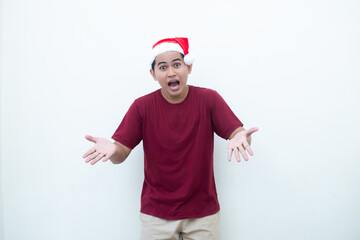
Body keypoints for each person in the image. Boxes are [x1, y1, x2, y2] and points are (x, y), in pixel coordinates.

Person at [83, 37, 259, 240]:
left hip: (203, 214)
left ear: (188, 68)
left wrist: (241, 138)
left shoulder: (209, 99)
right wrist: (113, 150)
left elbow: (237, 132)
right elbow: (120, 154)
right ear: (153, 74)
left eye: (177, 64)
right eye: (163, 67)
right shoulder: (142, 107)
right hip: (156, 216)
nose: (171, 72)